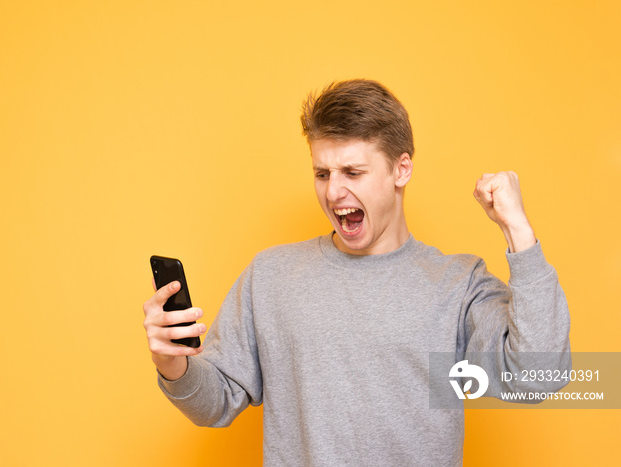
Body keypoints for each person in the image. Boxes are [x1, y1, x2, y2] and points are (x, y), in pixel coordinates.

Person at [142, 79, 571, 465]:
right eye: (322, 173)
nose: (333, 191)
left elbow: (539, 377)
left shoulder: (457, 285)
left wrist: (518, 230)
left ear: (401, 169)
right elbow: (214, 403)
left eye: (353, 172)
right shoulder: (270, 275)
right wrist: (172, 364)